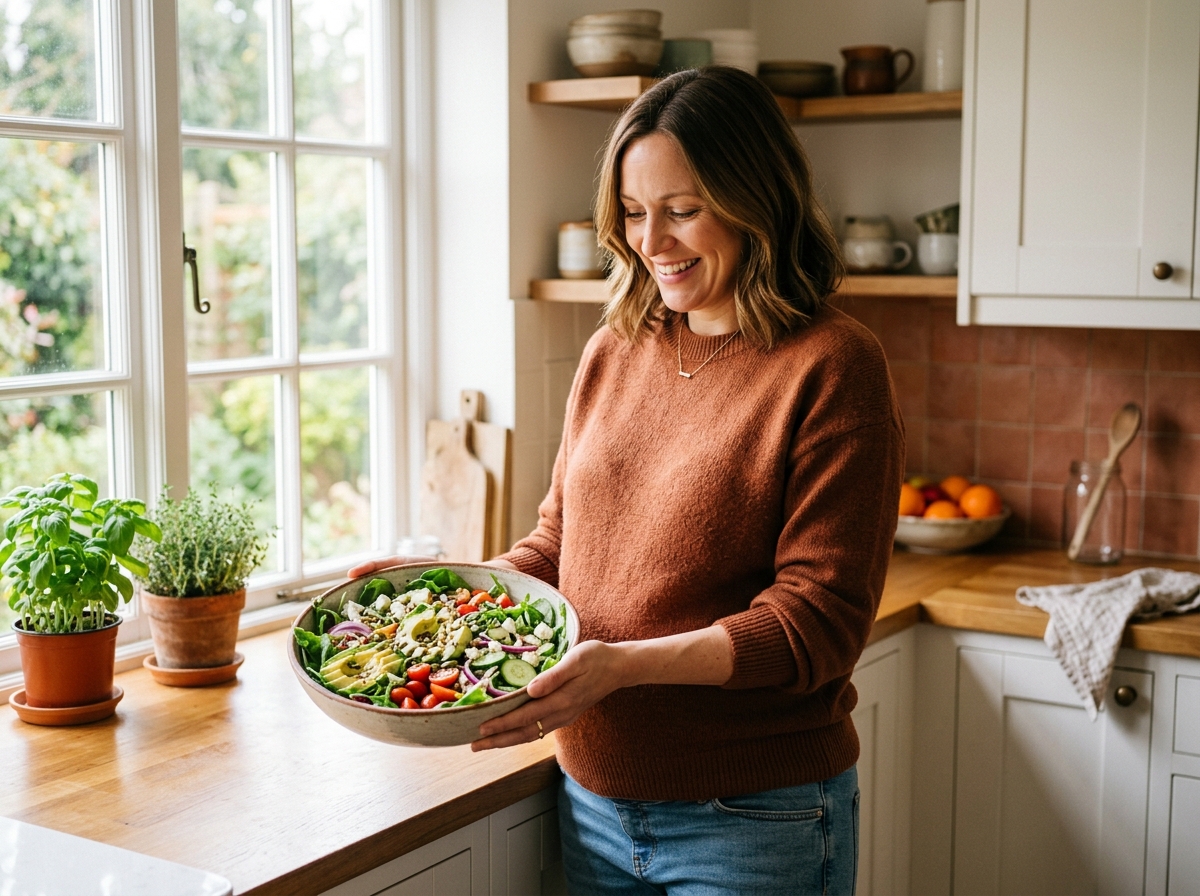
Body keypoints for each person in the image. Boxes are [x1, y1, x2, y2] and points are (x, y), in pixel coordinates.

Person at [352, 66, 903, 895]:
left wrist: (625, 665)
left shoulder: (832, 364)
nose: (653, 241)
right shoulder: (616, 348)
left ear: (759, 200)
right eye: (636, 214)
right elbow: (560, 545)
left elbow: (816, 625)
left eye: (683, 210)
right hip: (594, 803)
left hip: (755, 820)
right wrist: (448, 593)